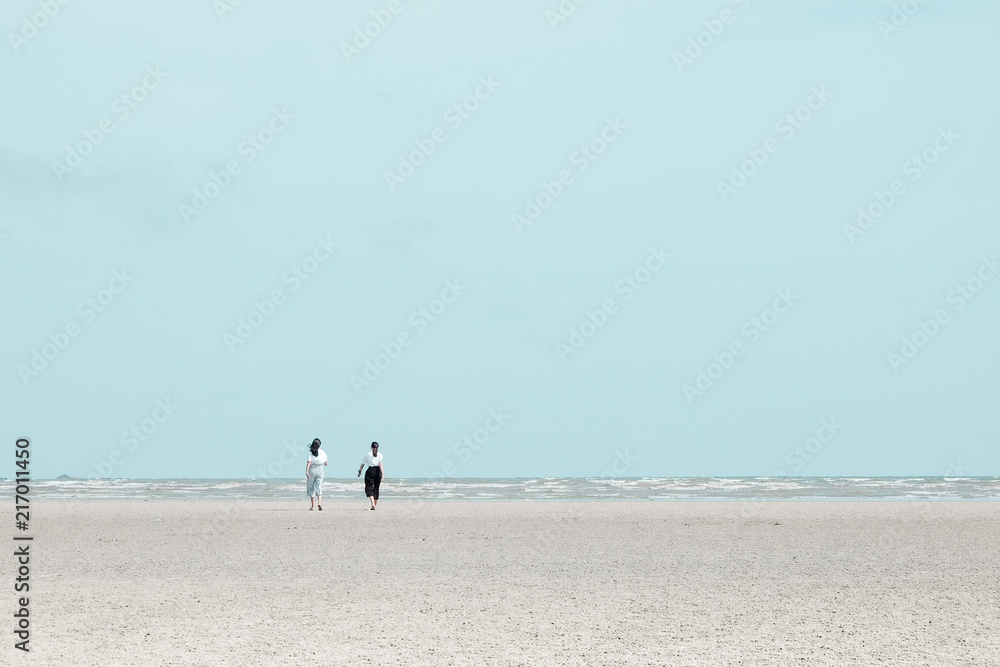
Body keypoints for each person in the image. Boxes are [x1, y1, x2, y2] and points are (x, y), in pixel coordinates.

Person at [357, 441, 384, 510]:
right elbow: (381, 465)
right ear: (378, 447)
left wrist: (360, 471)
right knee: (376, 488)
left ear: (371, 447)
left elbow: (362, 464)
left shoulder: (367, 455)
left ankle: (372, 503)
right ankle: (374, 504)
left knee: (369, 487)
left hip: (370, 471)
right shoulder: (380, 455)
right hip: (378, 471)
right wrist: (382, 474)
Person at [306, 438, 328, 510]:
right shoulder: (322, 452)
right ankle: (319, 503)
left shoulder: (310, 453)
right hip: (320, 469)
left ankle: (312, 506)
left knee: (311, 487)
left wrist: (307, 472)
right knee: (319, 487)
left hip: (312, 469)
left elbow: (309, 462)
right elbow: (326, 463)